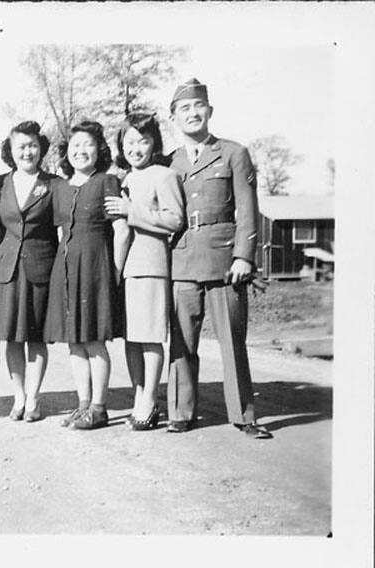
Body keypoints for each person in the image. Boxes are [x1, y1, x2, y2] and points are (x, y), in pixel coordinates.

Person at [166, 78, 272, 439]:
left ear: (209, 111)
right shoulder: (170, 162)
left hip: (225, 259)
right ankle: (181, 412)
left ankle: (243, 415)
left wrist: (244, 256)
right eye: (184, 109)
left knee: (232, 340)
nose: (192, 114)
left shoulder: (233, 153)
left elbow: (248, 210)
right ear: (173, 118)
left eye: (198, 107)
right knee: (182, 341)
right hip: (181, 259)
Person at [44, 121, 130, 430]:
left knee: (94, 341)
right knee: (74, 343)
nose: (81, 150)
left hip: (96, 270)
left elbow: (121, 232)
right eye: (75, 145)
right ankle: (82, 405)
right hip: (66, 270)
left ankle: (99, 407)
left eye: (88, 145)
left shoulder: (107, 181)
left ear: (100, 150)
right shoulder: (61, 187)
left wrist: (115, 272)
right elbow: (58, 232)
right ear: (67, 151)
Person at [105, 112, 184, 430]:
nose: (135, 148)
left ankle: (149, 399)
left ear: (154, 143)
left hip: (150, 266)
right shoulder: (123, 178)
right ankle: (139, 394)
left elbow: (175, 219)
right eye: (129, 141)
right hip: (125, 268)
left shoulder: (163, 175)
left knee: (150, 337)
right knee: (132, 338)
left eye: (143, 141)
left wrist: (132, 210)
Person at [0, 121, 58, 422]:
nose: (27, 152)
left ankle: (33, 398)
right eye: (21, 146)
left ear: (40, 148)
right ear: (11, 150)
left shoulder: (53, 184)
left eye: (32, 145)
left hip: (40, 268)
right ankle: (18, 396)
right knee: (11, 337)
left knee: (36, 337)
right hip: (7, 270)